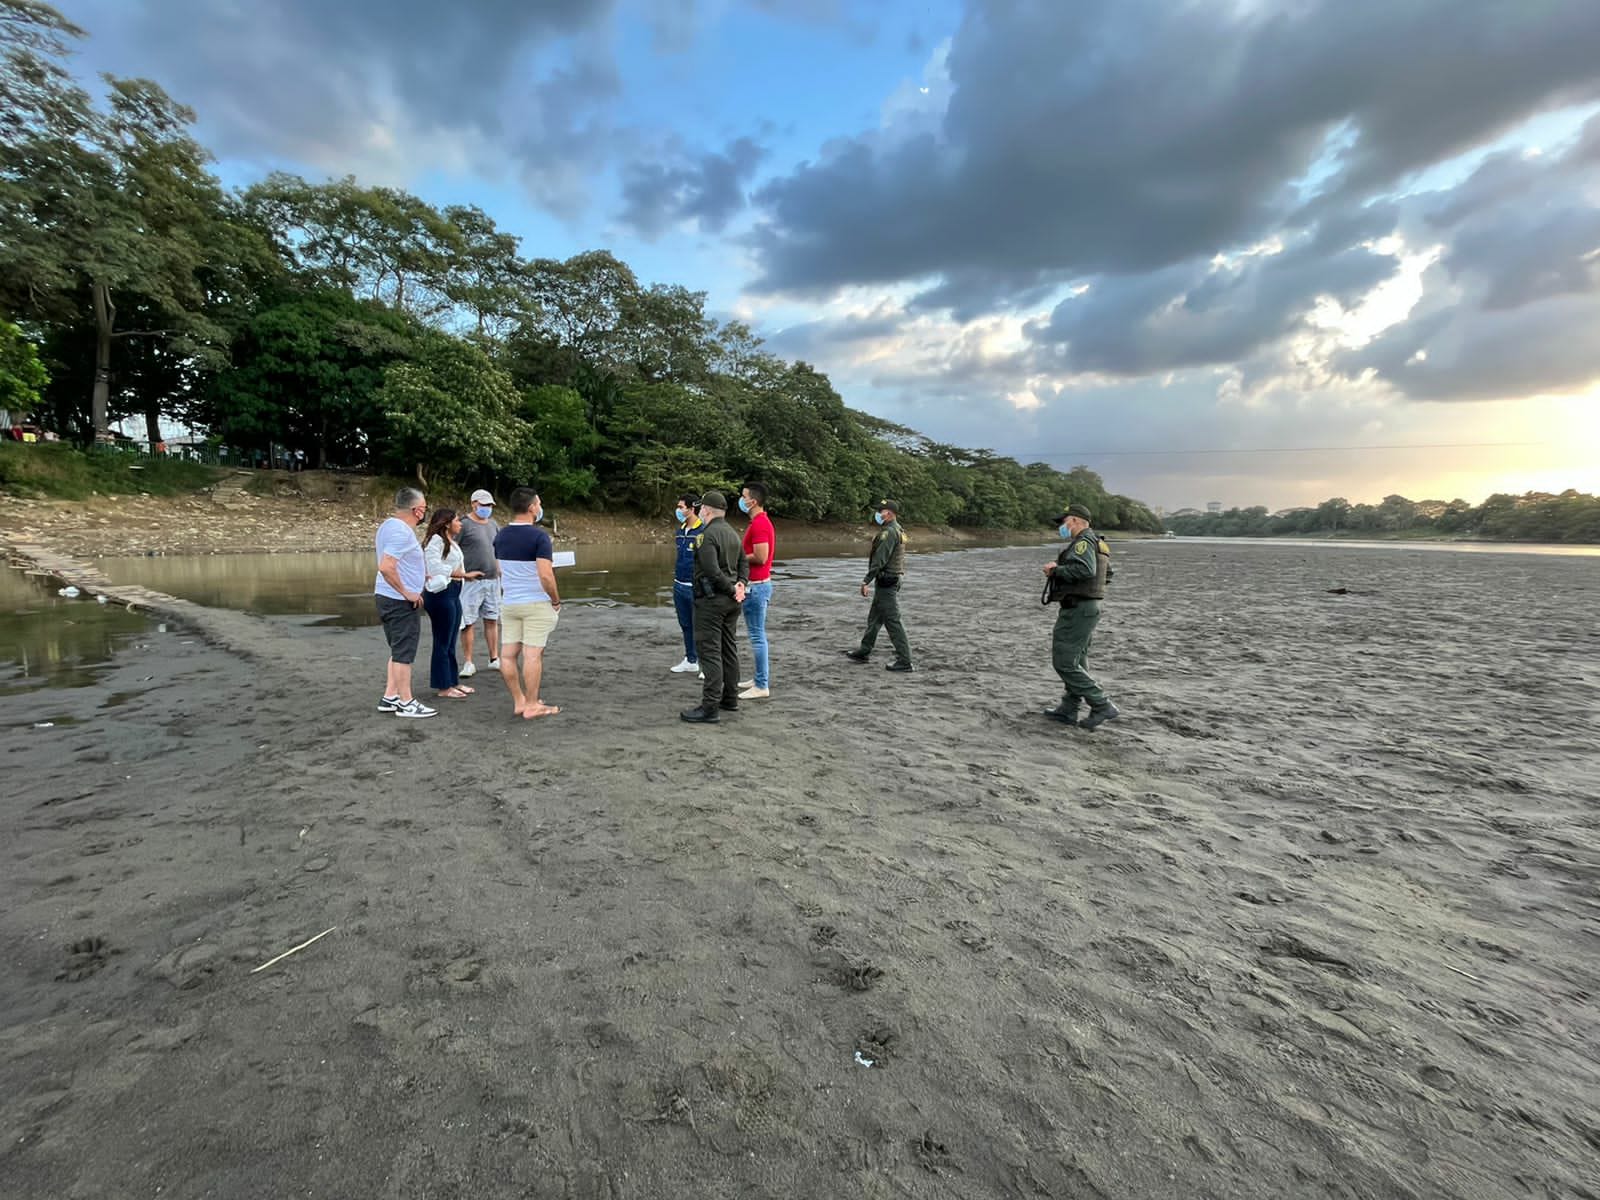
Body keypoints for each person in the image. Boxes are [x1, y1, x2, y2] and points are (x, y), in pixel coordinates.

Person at [1041, 503, 1119, 730]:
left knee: (1064, 661)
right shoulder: (1098, 542)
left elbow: (1085, 570)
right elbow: (1108, 574)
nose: (1062, 527)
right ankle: (1068, 708)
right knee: (1077, 660)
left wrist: (1055, 570)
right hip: (1089, 606)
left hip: (1078, 608)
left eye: (1064, 522)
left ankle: (1101, 704)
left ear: (1075, 521)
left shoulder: (1083, 543)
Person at [680, 490, 748, 723]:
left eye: (700, 509)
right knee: (729, 648)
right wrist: (740, 585)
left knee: (709, 652)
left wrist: (731, 588)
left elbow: (710, 570)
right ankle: (730, 697)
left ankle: (710, 707)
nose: (699, 512)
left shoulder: (706, 536)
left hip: (712, 601)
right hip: (731, 602)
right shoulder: (733, 534)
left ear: (706, 510)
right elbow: (743, 564)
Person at [494, 487, 562, 719]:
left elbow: (499, 569)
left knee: (508, 655)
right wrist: (555, 599)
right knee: (532, 654)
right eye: (539, 503)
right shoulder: (539, 537)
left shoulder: (501, 535)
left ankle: (520, 701)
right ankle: (532, 705)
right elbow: (545, 575)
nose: (540, 507)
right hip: (535, 603)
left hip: (510, 602)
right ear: (532, 507)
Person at [374, 487, 436, 718]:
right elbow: (386, 566)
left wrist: (420, 575)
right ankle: (406, 702)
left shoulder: (388, 527)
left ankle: (390, 696)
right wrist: (407, 592)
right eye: (425, 508)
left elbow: (398, 563)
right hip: (397, 600)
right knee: (404, 653)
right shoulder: (401, 532)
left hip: (386, 597)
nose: (425, 512)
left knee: (398, 648)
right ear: (417, 510)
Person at [843, 498, 914, 672]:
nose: (878, 514)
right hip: (891, 579)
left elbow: (879, 560)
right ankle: (864, 650)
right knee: (875, 617)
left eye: (881, 511)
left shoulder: (889, 533)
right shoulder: (898, 530)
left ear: (888, 513)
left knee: (893, 620)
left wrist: (866, 580)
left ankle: (905, 660)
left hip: (887, 580)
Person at [423, 508, 482, 700]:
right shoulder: (435, 541)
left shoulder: (451, 542)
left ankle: (452, 681)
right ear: (447, 523)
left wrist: (463, 577)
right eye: (457, 520)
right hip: (441, 595)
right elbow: (433, 567)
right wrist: (463, 575)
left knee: (450, 641)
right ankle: (443, 686)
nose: (461, 523)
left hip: (453, 593)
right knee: (442, 641)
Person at [457, 488, 501, 679]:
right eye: (483, 505)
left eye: (489, 505)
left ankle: (494, 658)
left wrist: (501, 570)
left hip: (493, 580)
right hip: (471, 581)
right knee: (468, 622)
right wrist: (461, 574)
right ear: (474, 503)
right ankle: (468, 662)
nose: (487, 508)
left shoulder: (493, 524)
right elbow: (451, 550)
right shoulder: (463, 524)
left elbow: (498, 550)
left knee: (492, 619)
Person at [737, 481, 775, 699]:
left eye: (743, 496)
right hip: (756, 586)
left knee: (757, 636)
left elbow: (761, 556)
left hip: (757, 587)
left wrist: (738, 557)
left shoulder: (760, 524)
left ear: (753, 500)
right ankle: (759, 678)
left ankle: (761, 684)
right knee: (756, 634)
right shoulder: (759, 522)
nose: (741, 500)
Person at [669, 492, 703, 674]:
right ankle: (691, 659)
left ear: (691, 509)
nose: (678, 510)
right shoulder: (680, 531)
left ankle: (706, 664)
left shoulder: (702, 531)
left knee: (701, 626)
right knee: (686, 624)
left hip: (695, 586)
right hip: (679, 584)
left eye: (681, 507)